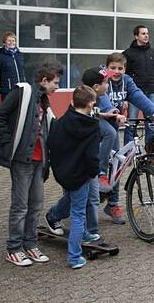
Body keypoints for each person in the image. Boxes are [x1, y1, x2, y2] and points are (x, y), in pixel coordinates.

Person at [0, 61, 61, 266]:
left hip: (40, 162)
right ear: (44, 80)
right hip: (22, 161)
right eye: (55, 82)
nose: (57, 86)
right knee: (20, 206)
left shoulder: (44, 101)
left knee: (36, 204)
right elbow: (0, 116)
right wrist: (7, 143)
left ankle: (30, 245)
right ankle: (14, 248)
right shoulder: (23, 92)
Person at [43, 68, 111, 245]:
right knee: (80, 203)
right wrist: (95, 170)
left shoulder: (74, 117)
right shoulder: (85, 124)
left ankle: (86, 230)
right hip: (79, 171)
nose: (107, 85)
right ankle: (75, 250)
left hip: (76, 170)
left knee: (81, 197)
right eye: (105, 83)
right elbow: (90, 152)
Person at [100, 53, 154, 224]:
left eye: (120, 68)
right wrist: (113, 112)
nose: (116, 71)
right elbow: (102, 98)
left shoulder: (126, 81)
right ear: (107, 68)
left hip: (112, 127)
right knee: (98, 164)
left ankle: (112, 204)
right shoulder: (102, 79)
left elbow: (138, 96)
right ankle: (96, 184)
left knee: (118, 162)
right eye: (113, 68)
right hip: (96, 127)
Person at [47, 85, 100, 269]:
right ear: (91, 104)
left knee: (71, 198)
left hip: (63, 172)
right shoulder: (93, 127)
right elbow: (93, 156)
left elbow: (52, 143)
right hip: (81, 176)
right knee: (78, 213)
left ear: (73, 101)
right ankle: (74, 256)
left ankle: (52, 215)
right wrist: (93, 173)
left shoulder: (61, 121)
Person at [122, 25, 154, 145]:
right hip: (133, 95)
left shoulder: (153, 53)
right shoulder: (127, 54)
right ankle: (127, 154)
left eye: (147, 33)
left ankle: (151, 152)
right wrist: (125, 97)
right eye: (143, 33)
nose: (146, 35)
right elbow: (123, 77)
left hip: (150, 92)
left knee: (151, 123)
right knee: (131, 124)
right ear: (136, 36)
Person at [0, 32, 25, 101]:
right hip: (7, 89)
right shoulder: (0, 55)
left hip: (20, 87)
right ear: (4, 43)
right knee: (8, 110)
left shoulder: (19, 54)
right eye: (9, 40)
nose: (11, 42)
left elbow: (22, 70)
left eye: (13, 40)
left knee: (19, 109)